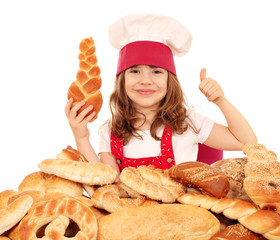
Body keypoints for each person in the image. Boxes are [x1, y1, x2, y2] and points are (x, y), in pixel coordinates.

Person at [65, 14, 257, 177]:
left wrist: (220, 101)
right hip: (131, 219)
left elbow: (246, 142)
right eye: (134, 71)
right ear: (121, 80)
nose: (145, 80)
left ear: (169, 81)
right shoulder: (110, 131)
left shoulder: (188, 123)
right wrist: (81, 137)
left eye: (156, 72)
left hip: (183, 218)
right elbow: (106, 180)